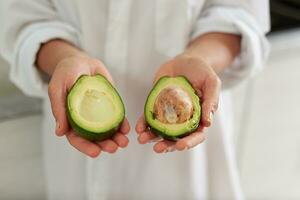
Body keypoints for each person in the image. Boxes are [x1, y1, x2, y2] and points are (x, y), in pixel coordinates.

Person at [0, 0, 269, 199]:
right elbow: (23, 17)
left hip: (188, 167)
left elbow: (240, 13)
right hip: (76, 154)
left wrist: (199, 58)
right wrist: (65, 59)